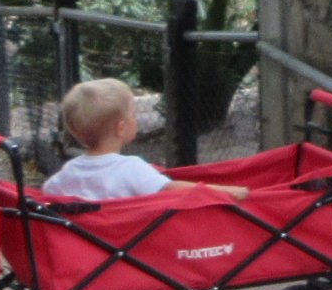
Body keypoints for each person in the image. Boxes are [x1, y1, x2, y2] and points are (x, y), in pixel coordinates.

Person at [42, 79, 248, 202]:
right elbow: (173, 189)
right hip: (131, 247)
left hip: (90, 249)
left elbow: (47, 193)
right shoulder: (132, 168)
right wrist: (227, 191)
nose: (136, 118)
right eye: (133, 113)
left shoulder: (69, 171)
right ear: (121, 128)